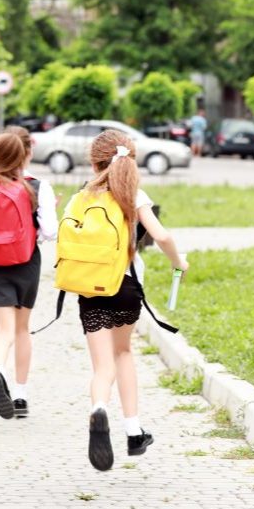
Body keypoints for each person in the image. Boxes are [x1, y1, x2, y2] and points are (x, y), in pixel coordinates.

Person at [75, 130, 189, 471]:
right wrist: (178, 261)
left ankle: (98, 408)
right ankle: (133, 429)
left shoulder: (82, 196)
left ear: (93, 162)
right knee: (123, 352)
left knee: (101, 365)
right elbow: (162, 235)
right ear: (131, 160)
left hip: (90, 287)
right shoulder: (134, 194)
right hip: (125, 285)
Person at [0, 127, 57, 420]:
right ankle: (20, 395)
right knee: (23, 329)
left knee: (4, 330)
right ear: (27, 153)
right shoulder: (36, 185)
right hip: (27, 262)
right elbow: (50, 231)